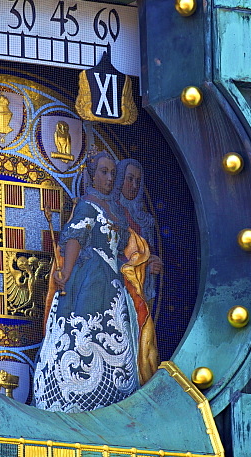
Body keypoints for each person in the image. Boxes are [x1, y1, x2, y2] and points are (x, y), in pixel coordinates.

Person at [33, 152, 158, 413]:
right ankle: (74, 388)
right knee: (82, 334)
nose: (110, 178)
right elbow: (74, 240)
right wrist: (66, 273)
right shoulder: (86, 206)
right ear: (91, 174)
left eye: (113, 173)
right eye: (104, 172)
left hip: (113, 281)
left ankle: (111, 394)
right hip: (88, 280)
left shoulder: (113, 209)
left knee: (116, 334)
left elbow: (126, 246)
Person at [115, 158, 162, 310]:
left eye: (138, 181)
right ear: (120, 178)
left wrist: (154, 262)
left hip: (142, 288)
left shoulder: (144, 219)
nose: (134, 186)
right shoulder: (110, 212)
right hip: (116, 287)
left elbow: (149, 251)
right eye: (130, 179)